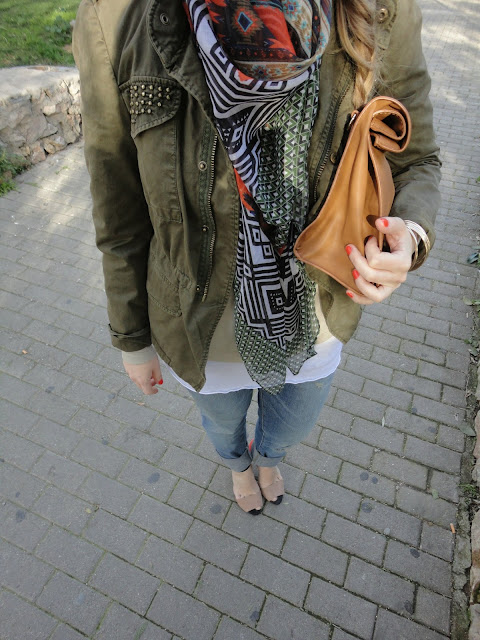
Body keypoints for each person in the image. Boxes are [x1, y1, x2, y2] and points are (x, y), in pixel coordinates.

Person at [73, 0, 440, 515]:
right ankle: (238, 465)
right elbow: (117, 200)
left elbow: (417, 158)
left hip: (319, 313)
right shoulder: (114, 14)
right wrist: (131, 336)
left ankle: (269, 457)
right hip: (196, 326)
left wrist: (411, 233)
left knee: (291, 424)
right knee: (222, 424)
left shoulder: (380, 9)